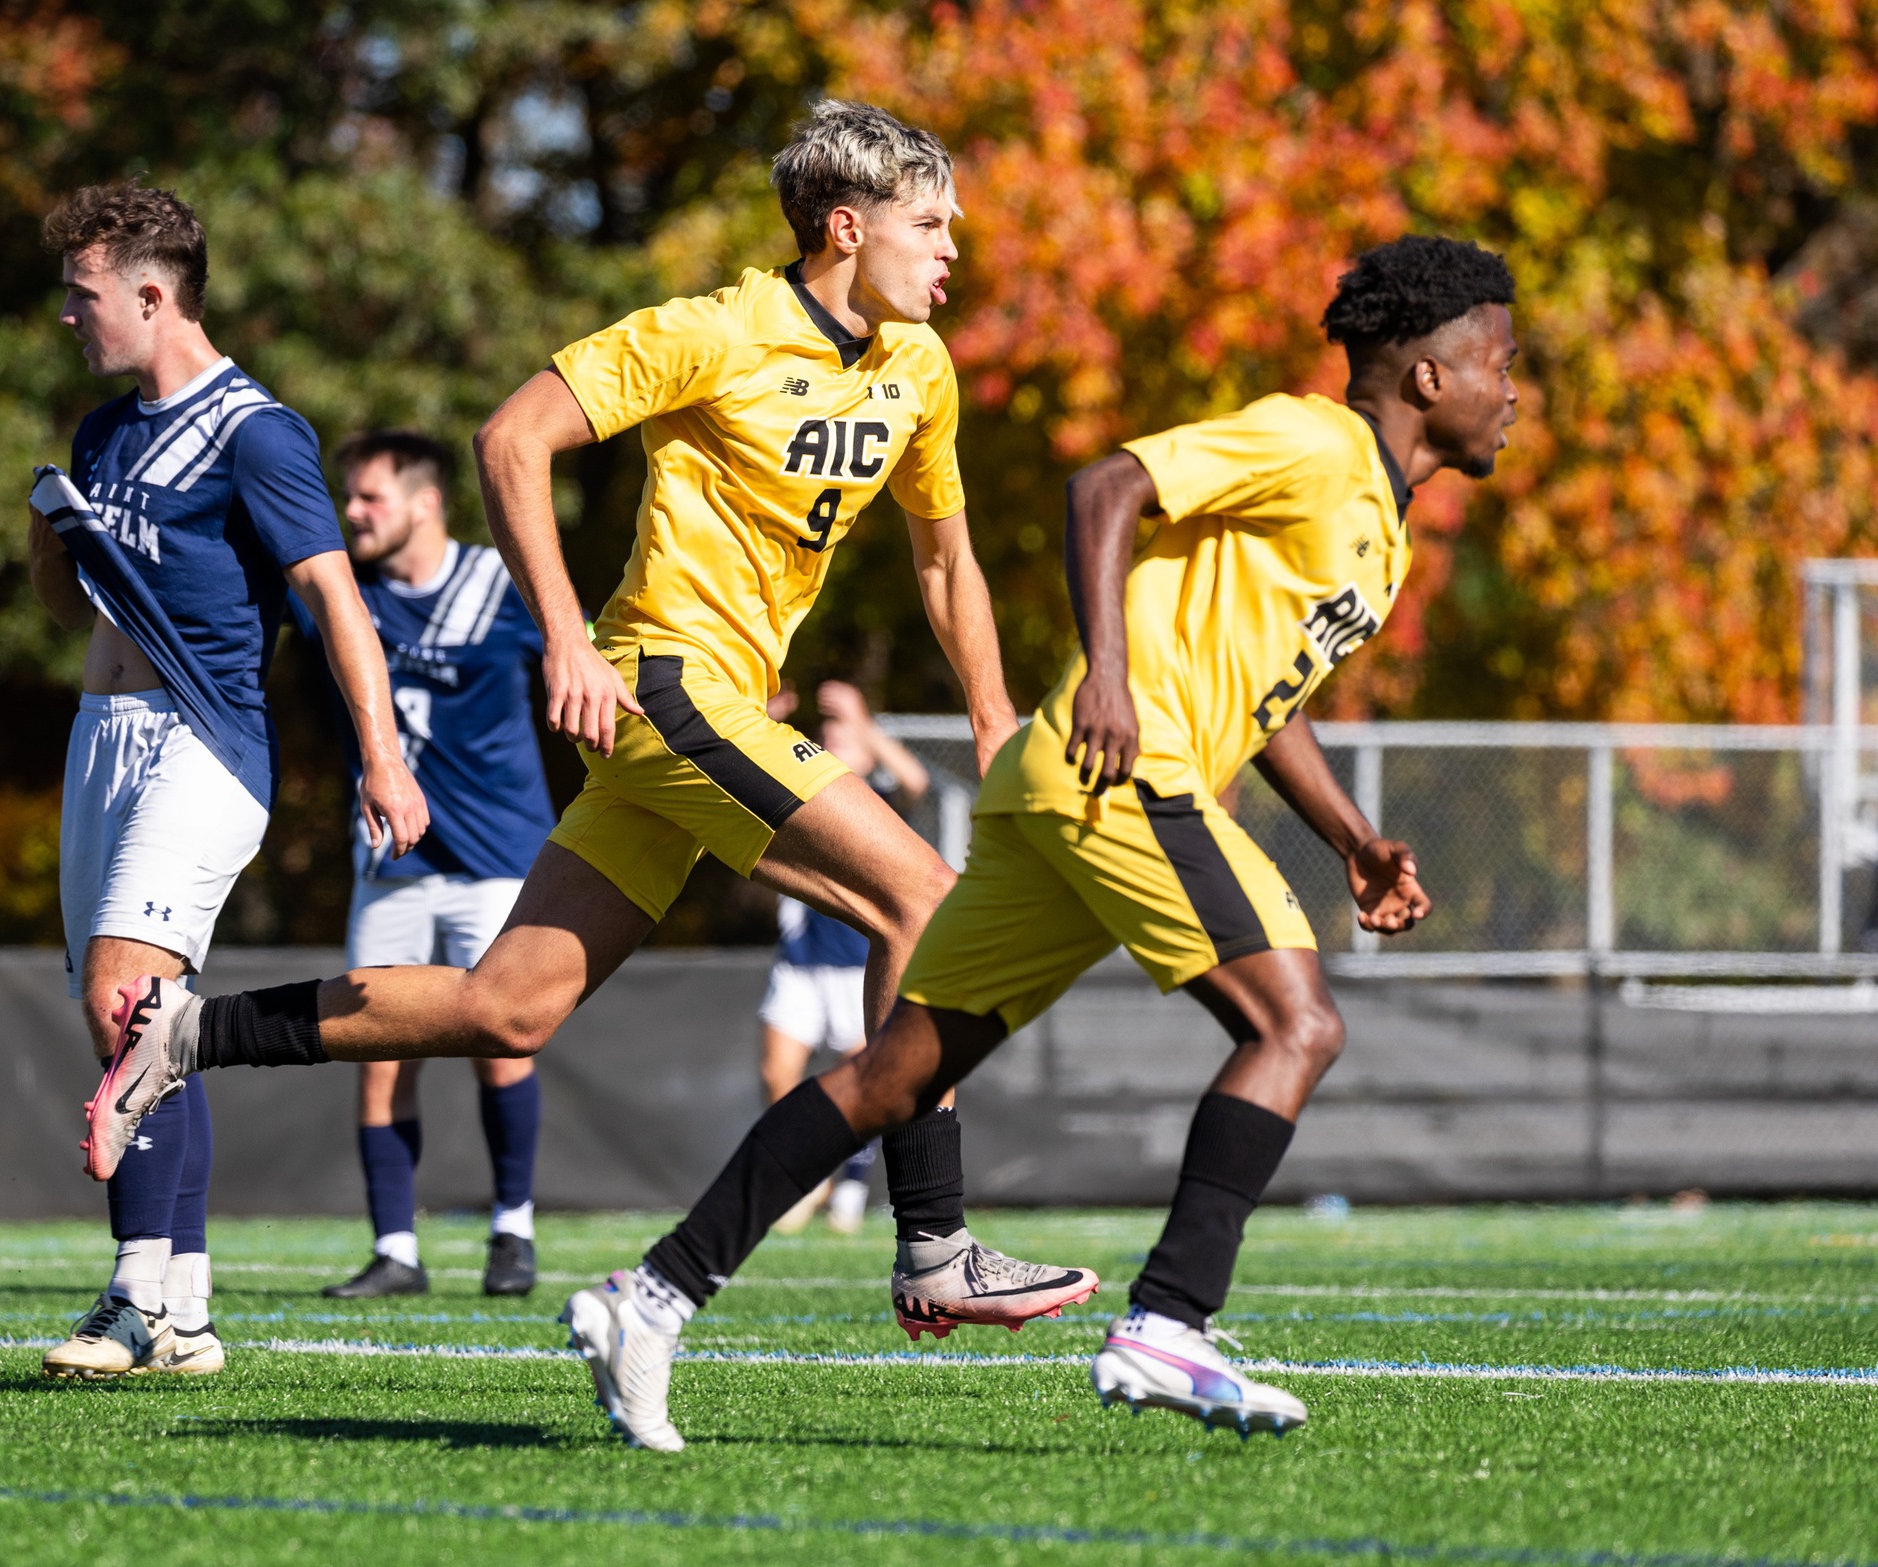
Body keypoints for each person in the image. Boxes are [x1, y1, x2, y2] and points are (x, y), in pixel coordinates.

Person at [82, 101, 1097, 1447]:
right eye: (930, 223)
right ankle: (929, 1241)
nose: (952, 248)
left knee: (507, 1009)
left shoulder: (917, 366)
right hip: (663, 681)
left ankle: (186, 1032)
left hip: (699, 716)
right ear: (845, 228)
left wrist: (989, 717)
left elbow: (942, 558)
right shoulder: (714, 328)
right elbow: (512, 438)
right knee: (925, 900)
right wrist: (564, 630)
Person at [579, 233, 1521, 1447]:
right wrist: (1109, 683)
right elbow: (1105, 487)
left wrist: (1349, 837)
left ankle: (647, 1297)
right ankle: (1168, 1323)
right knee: (1296, 1023)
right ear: (1431, 377)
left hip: (1062, 791)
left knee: (893, 1075)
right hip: (1123, 773)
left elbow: (1268, 699)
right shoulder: (1315, 441)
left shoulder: (1381, 532)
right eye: (1501, 361)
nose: (1514, 392)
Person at [25, 181, 426, 1380]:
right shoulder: (103, 432)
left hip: (206, 739)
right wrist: (48, 539)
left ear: (152, 296)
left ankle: (133, 1296)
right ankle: (187, 1313)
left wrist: (383, 755)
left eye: (82, 297)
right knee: (144, 1025)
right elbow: (70, 612)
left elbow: (333, 602)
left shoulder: (257, 430)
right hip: (103, 739)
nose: (68, 319)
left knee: (123, 1000)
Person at [300, 430, 554, 1301]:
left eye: (371, 497)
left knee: (503, 1042)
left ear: (425, 501)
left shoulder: (501, 582)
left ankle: (511, 1232)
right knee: (378, 1055)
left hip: (498, 857)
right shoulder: (339, 593)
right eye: (351, 498)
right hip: (392, 861)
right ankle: (396, 1248)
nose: (354, 513)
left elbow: (586, 657)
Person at [759, 681, 927, 1236]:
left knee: (860, 1083)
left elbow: (915, 782)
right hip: (799, 963)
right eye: (825, 733)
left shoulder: (873, 792)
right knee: (776, 1075)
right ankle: (808, 1177)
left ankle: (850, 1184)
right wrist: (759, 718)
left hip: (857, 964)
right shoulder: (801, 787)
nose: (831, 739)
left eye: (842, 734)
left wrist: (865, 723)